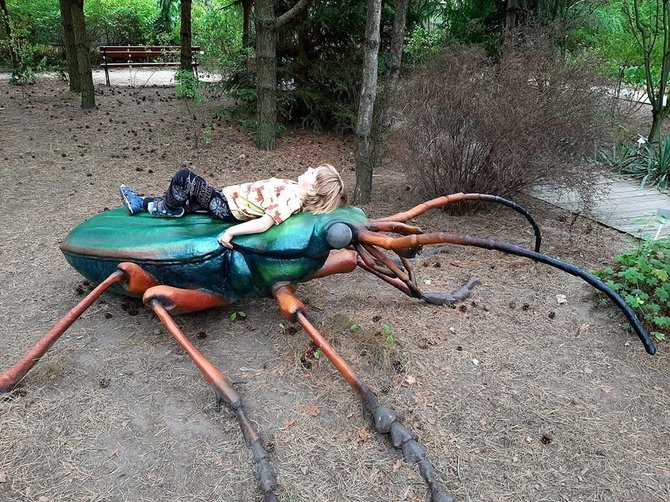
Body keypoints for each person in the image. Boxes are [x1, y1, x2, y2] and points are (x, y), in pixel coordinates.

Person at [119, 165, 346, 249]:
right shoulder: (296, 188)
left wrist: (230, 231)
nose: (308, 168)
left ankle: (167, 208)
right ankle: (142, 203)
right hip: (225, 197)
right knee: (186, 198)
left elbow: (265, 222)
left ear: (314, 190)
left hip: (226, 207)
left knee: (184, 178)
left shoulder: (292, 200)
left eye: (313, 172)